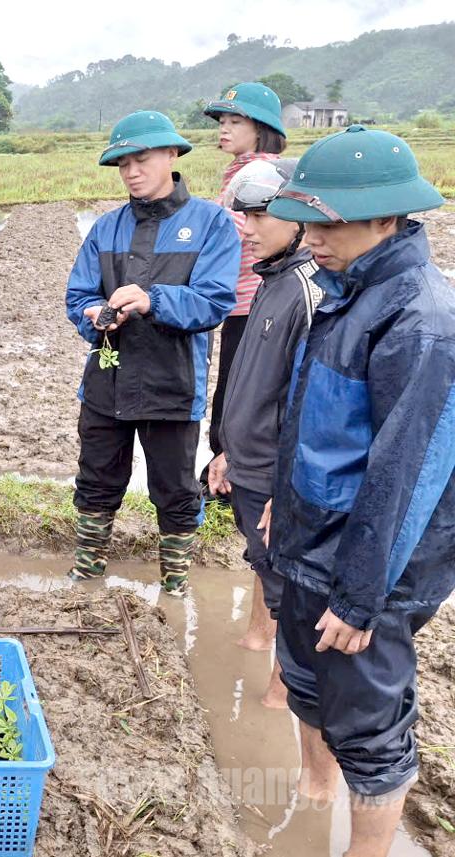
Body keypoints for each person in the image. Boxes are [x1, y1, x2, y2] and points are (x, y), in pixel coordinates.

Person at [266, 126, 454, 857]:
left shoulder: (422, 321)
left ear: (388, 218)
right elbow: (324, 427)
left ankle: (364, 850)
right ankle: (316, 789)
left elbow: (405, 476)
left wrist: (360, 595)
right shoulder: (348, 291)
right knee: (305, 680)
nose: (312, 235)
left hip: (369, 564)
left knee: (369, 722)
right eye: (309, 217)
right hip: (313, 543)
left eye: (330, 220)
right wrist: (289, 497)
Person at [65, 110, 240, 595]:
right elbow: (78, 295)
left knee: (175, 489)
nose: (131, 172)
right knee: (96, 480)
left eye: (141, 160)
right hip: (106, 380)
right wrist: (94, 313)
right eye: (123, 165)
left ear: (171, 154)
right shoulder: (106, 228)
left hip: (173, 383)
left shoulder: (210, 223)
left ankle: (176, 584)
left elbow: (214, 300)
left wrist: (152, 299)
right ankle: (86, 573)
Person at [205, 158, 321, 709]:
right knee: (263, 563)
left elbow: (307, 404)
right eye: (243, 215)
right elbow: (254, 383)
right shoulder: (270, 284)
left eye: (258, 215)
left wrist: (286, 488)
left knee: (287, 590)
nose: (246, 228)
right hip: (248, 464)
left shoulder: (305, 290)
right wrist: (227, 449)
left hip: (277, 477)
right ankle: (267, 661)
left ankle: (280, 697)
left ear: (297, 217)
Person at [202, 82, 288, 465]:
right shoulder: (242, 169)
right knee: (238, 387)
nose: (224, 128)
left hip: (250, 301)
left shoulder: (258, 172)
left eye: (235, 121)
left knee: (238, 391)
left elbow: (234, 231)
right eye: (222, 120)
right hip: (241, 299)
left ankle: (227, 476)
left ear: (261, 129)